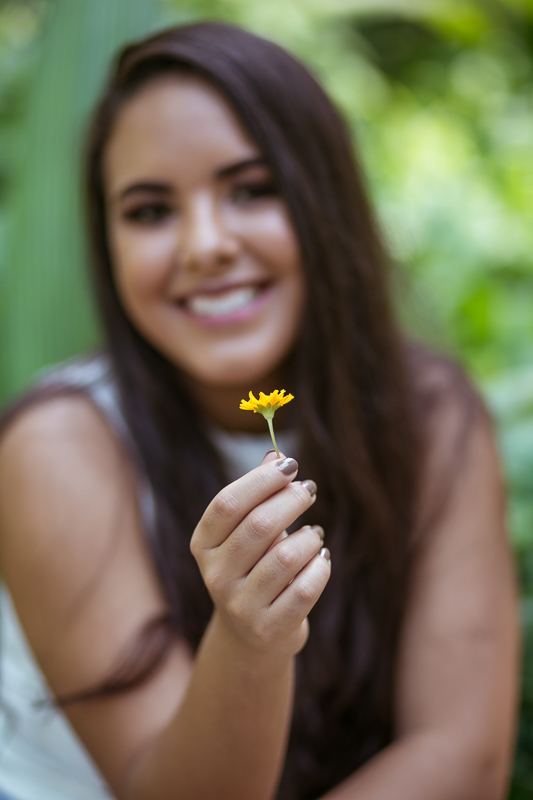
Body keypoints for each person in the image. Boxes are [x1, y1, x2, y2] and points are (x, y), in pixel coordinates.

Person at [0, 21, 519, 800]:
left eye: (251, 189)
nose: (205, 244)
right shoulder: (56, 446)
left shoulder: (434, 418)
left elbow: (460, 756)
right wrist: (247, 640)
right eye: (149, 210)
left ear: (326, 202)